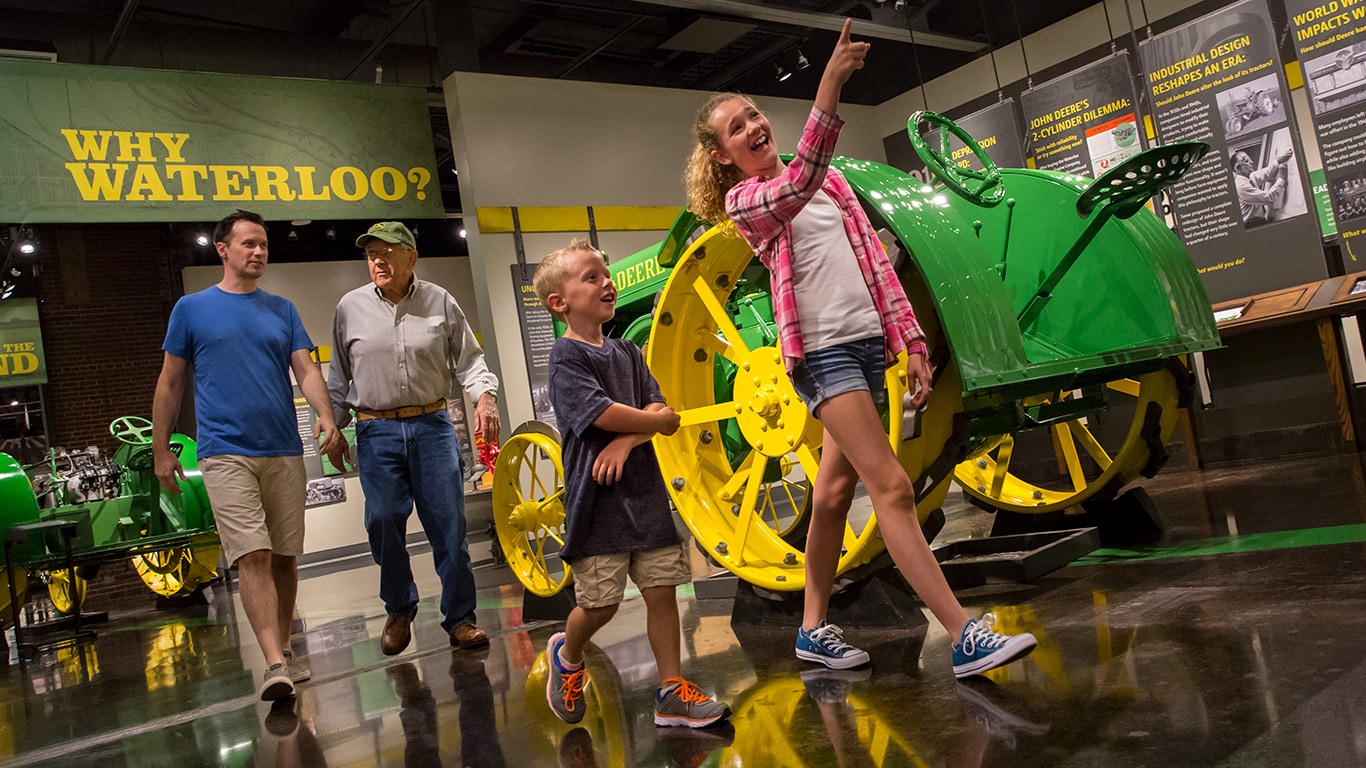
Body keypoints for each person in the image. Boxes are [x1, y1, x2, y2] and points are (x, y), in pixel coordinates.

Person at [683, 19, 1037, 679]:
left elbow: (875, 265)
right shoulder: (750, 200)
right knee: (893, 488)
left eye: (754, 114)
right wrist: (831, 83)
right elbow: (797, 184)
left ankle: (813, 628)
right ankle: (962, 634)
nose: (753, 126)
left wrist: (911, 340)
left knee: (832, 493)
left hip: (868, 349)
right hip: (822, 357)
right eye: (737, 127)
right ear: (724, 154)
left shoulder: (837, 187)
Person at [532, 239, 731, 729]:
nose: (607, 283)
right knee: (599, 604)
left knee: (662, 590)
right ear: (560, 302)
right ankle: (568, 651)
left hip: (644, 494)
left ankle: (670, 691)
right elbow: (601, 413)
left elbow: (664, 411)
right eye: (592, 277)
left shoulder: (628, 352)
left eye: (606, 274)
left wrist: (625, 442)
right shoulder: (565, 357)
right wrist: (644, 425)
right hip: (598, 503)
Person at [153, 209, 340, 701]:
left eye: (263, 245)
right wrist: (161, 449)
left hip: (283, 448)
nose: (258, 252)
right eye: (248, 244)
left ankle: (284, 651)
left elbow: (306, 369)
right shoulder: (191, 310)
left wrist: (325, 415)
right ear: (223, 249)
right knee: (252, 554)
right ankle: (275, 663)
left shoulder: (282, 309)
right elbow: (171, 382)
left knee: (284, 557)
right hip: (224, 452)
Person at [325, 221, 499, 655]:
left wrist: (485, 398)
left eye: (388, 251)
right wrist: (332, 424)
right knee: (382, 520)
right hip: (375, 429)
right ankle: (399, 606)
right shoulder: (349, 308)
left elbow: (470, 361)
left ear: (411, 257)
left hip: (432, 426)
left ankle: (460, 618)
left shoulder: (440, 300)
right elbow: (337, 378)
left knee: (449, 525)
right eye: (371, 254)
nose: (378, 260)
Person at [1232, 147, 1291, 226]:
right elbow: (1268, 198)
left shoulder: (1250, 176)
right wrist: (1282, 179)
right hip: (1252, 224)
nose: (1252, 162)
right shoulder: (1241, 186)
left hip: (1258, 221)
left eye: (1249, 159)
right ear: (1237, 168)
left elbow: (1267, 173)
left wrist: (1278, 161)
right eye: (1246, 161)